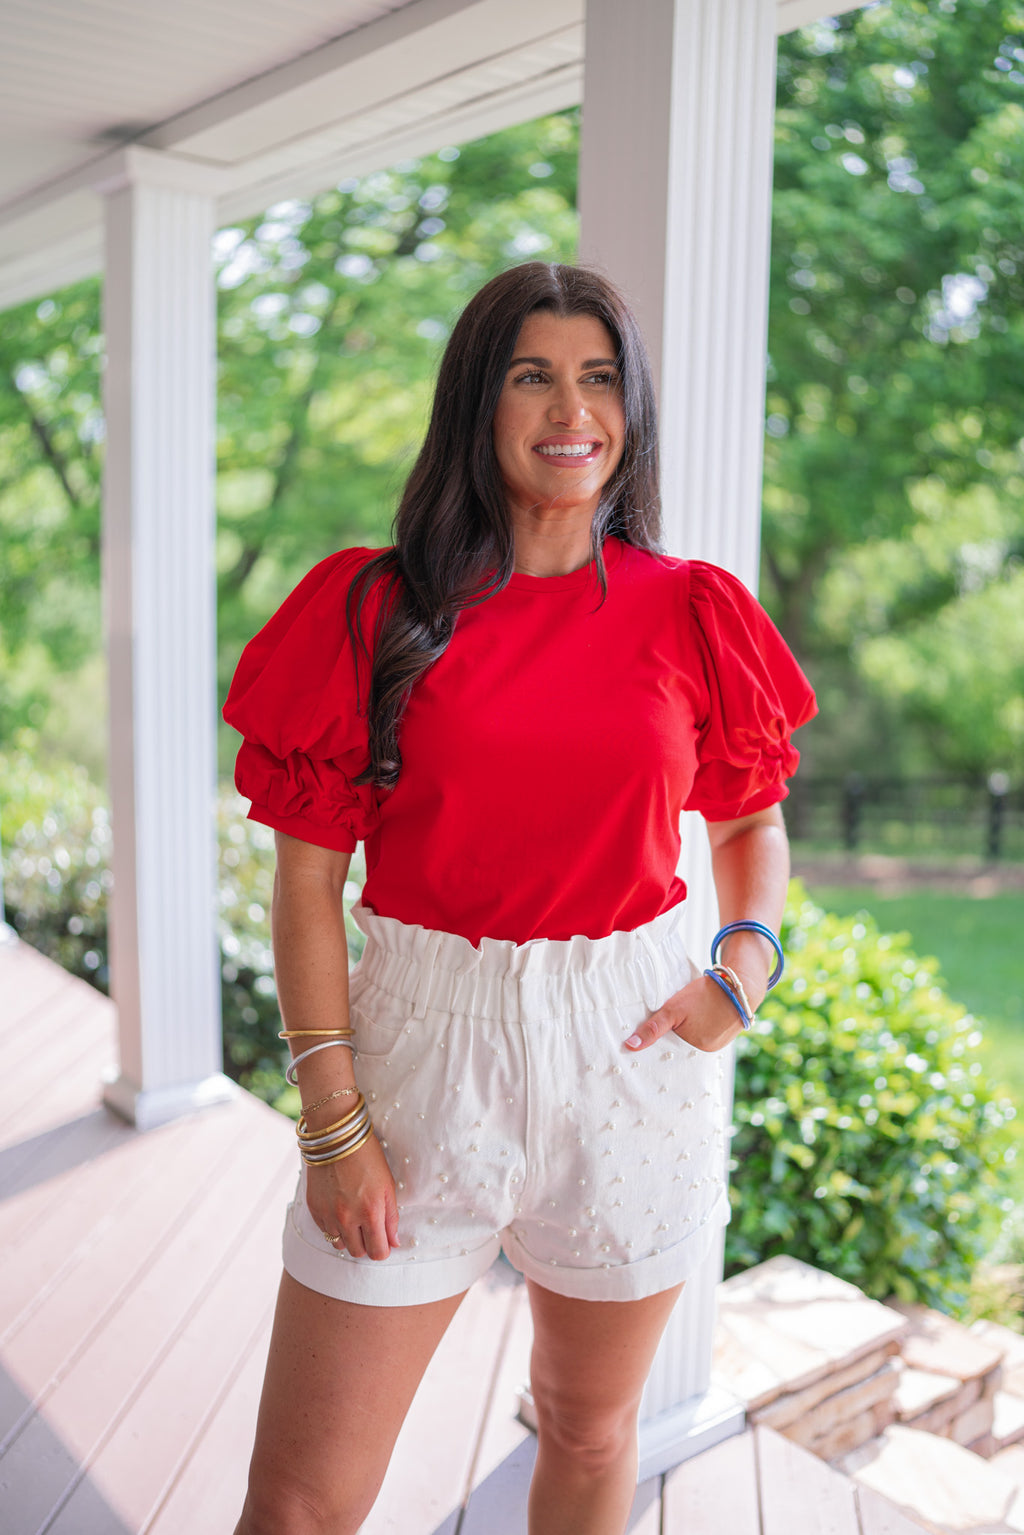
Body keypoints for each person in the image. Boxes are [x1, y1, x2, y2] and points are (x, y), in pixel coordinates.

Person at [223, 260, 816, 1535]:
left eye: (599, 377)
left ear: (630, 406)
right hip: (419, 1059)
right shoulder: (373, 608)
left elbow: (752, 818)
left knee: (592, 1425)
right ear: (477, 403)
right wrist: (332, 1116)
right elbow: (309, 879)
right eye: (531, 374)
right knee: (296, 1505)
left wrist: (743, 969)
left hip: (631, 1055)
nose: (571, 408)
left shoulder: (692, 609)